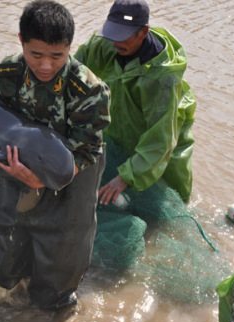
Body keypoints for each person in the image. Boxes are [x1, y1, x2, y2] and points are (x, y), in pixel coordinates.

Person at [0, 0, 110, 310]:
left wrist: (46, 179)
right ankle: (16, 289)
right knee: (0, 240)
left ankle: (55, 300)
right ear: (21, 42)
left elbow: (88, 148)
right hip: (19, 154)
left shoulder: (89, 90)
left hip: (73, 162)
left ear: (69, 48)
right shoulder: (8, 73)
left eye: (56, 56)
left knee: (62, 253)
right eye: (36, 55)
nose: (46, 66)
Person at [74, 0, 196, 204]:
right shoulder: (108, 43)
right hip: (123, 123)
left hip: (165, 136)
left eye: (123, 36)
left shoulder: (162, 80)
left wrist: (126, 177)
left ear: (143, 31)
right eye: (113, 33)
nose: (116, 42)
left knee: (168, 200)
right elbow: (76, 72)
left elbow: (161, 139)